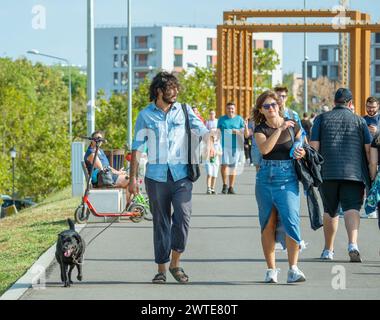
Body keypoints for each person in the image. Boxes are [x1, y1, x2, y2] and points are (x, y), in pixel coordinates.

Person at [129, 71, 211, 284]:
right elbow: (137, 148)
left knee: (183, 217)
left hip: (181, 175)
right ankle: (161, 270)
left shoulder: (183, 111)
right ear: (159, 91)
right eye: (170, 88)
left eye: (176, 88)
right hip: (155, 177)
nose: (175, 92)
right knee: (161, 223)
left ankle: (176, 262)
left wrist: (209, 142)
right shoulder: (145, 115)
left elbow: (203, 130)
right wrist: (132, 180)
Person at [310, 88, 371, 263]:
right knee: (352, 208)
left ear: (334, 102)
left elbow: (314, 147)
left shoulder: (321, 119)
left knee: (330, 210)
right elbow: (368, 151)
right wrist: (371, 174)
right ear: (350, 103)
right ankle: (353, 245)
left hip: (328, 172)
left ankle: (328, 250)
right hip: (354, 173)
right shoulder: (360, 121)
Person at [253, 90, 306, 284]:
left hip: (288, 178)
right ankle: (271, 270)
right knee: (268, 223)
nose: (271, 108)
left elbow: (303, 143)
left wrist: (301, 151)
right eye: (266, 106)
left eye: (273, 105)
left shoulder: (294, 125)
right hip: (265, 179)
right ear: (261, 110)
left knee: (292, 221)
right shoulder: (260, 129)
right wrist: (279, 128)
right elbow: (265, 149)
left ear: (279, 105)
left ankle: (293, 268)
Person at [84, 131, 130, 203]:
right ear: (92, 140)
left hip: (106, 176)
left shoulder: (100, 151)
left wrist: (118, 172)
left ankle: (130, 205)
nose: (99, 141)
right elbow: (101, 167)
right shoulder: (91, 152)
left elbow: (107, 167)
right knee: (130, 181)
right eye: (96, 138)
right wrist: (116, 173)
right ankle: (130, 206)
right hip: (101, 179)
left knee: (128, 178)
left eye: (100, 139)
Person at [217, 102, 245, 194]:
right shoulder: (221, 119)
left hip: (235, 146)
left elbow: (243, 131)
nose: (230, 110)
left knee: (233, 167)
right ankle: (225, 185)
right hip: (224, 146)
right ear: (226, 109)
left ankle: (231, 187)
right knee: (224, 165)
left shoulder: (239, 119)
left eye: (232, 108)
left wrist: (237, 131)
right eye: (229, 108)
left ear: (235, 109)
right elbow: (218, 130)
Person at [364, 97, 380, 218]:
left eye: (373, 107)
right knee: (369, 181)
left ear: (378, 106)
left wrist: (377, 131)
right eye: (368, 107)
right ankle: (371, 207)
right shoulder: (362, 119)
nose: (370, 109)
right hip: (366, 156)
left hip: (377, 156)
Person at [203, 130, 223, 194]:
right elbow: (204, 153)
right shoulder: (207, 143)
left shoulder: (218, 143)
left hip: (215, 161)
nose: (213, 135)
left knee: (214, 175)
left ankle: (212, 188)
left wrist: (216, 152)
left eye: (215, 134)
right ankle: (208, 188)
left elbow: (221, 153)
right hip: (208, 161)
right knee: (209, 174)